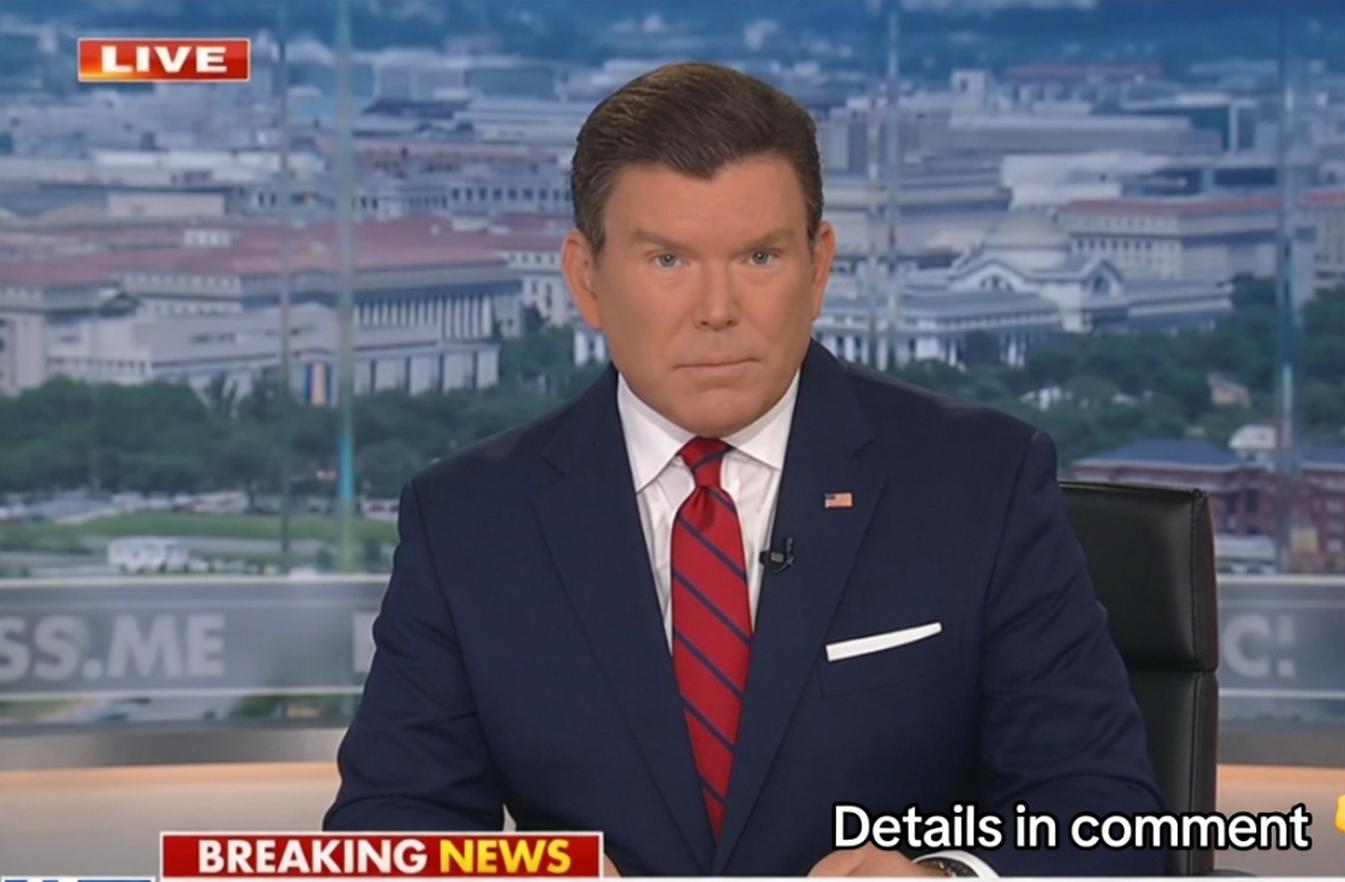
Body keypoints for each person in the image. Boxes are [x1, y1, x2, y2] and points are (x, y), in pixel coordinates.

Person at [324, 61, 1167, 877]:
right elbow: (387, 832)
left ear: (819, 267)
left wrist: (945, 879)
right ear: (586, 279)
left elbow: (1107, 818)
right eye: (668, 261)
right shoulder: (470, 521)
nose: (718, 310)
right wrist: (528, 875)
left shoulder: (980, 483)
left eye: (760, 258)